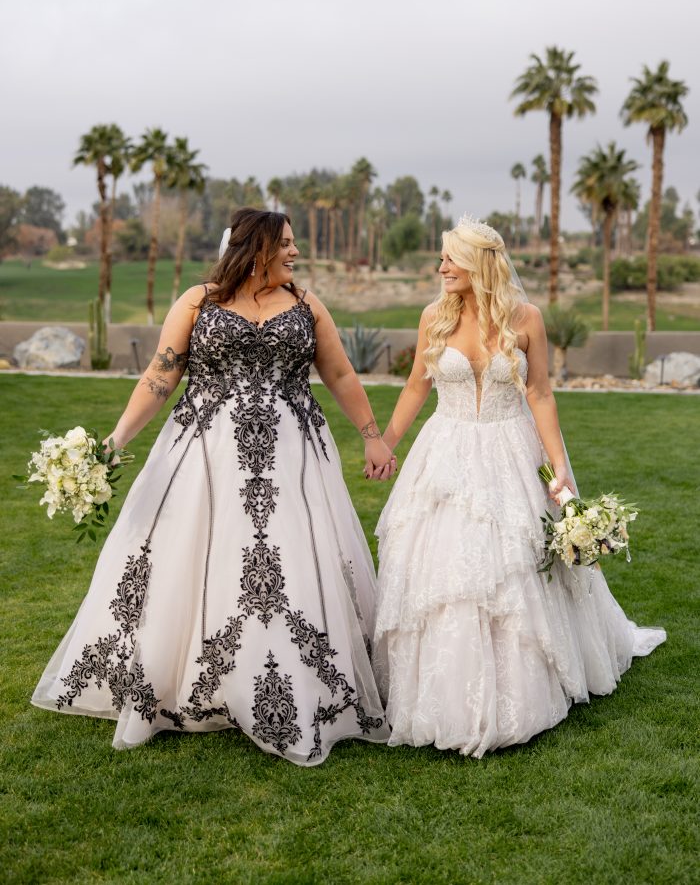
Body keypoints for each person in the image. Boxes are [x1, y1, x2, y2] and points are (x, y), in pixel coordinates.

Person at [33, 208, 393, 764]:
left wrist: (372, 435)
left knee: (287, 560)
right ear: (257, 249)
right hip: (204, 449)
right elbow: (160, 375)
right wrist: (113, 442)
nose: (296, 253)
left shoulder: (305, 305)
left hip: (291, 456)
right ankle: (184, 685)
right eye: (288, 244)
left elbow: (341, 374)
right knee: (197, 557)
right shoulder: (199, 301)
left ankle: (292, 684)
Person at [371, 215, 666, 758]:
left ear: (479, 263)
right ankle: (443, 692)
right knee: (445, 567)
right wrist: (386, 444)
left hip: (512, 448)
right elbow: (417, 385)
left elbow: (541, 394)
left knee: (517, 561)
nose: (440, 268)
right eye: (441, 258)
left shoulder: (525, 317)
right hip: (448, 451)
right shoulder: (434, 317)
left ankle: (527, 681)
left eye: (450, 259)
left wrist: (560, 473)